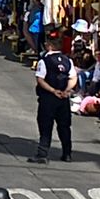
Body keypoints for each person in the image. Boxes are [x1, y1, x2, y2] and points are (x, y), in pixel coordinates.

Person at [31, 32, 76, 163]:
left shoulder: (44, 61)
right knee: (64, 126)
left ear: (49, 46)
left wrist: (53, 90)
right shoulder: (68, 61)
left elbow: (40, 79)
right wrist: (66, 90)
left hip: (48, 98)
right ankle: (67, 153)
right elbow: (73, 77)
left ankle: (42, 154)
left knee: (45, 126)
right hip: (64, 98)